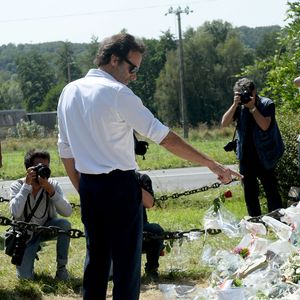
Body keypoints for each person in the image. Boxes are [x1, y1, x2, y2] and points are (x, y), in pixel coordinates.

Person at [57, 32, 241, 300]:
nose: (134, 75)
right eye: (132, 68)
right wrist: (211, 164)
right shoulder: (118, 93)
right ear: (113, 59)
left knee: (95, 262)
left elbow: (65, 150)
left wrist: (83, 186)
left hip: (88, 185)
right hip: (119, 186)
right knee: (126, 266)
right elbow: (164, 137)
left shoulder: (68, 91)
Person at [221, 78, 284, 217]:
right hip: (246, 156)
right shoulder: (239, 106)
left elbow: (265, 125)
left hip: (265, 155)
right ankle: (255, 221)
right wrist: (234, 104)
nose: (245, 97)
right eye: (240, 95)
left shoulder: (267, 104)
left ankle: (277, 219)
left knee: (271, 190)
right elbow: (224, 123)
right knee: (250, 193)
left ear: (254, 91)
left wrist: (253, 108)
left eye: (248, 94)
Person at [9, 149, 72, 280]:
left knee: (64, 225)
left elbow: (67, 212)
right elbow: (15, 212)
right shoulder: (18, 185)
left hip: (46, 229)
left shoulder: (52, 185)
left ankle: (61, 269)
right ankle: (30, 254)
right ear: (29, 169)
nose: (42, 170)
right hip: (25, 235)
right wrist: (26, 186)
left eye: (46, 167)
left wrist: (51, 191)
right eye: (38, 167)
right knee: (25, 278)